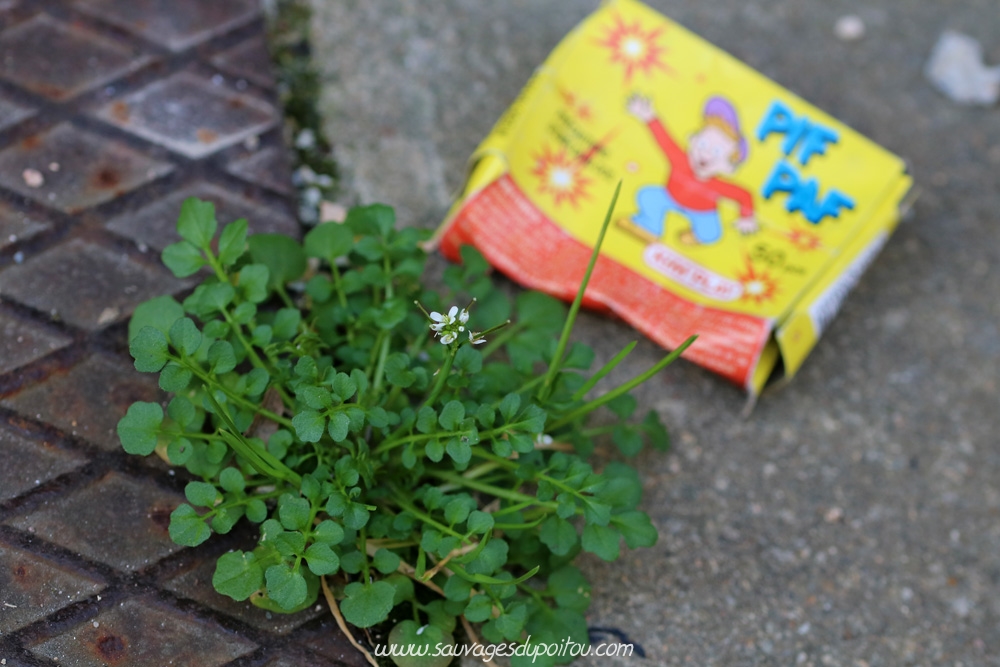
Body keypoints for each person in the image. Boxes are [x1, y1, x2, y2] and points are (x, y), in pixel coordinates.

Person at [621, 94, 759, 245]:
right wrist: (649, 117)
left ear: (728, 167)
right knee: (647, 196)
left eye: (717, 152)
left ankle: (698, 236)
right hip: (669, 196)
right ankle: (649, 227)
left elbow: (744, 195)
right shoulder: (681, 161)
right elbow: (666, 142)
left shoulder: (718, 186)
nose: (705, 154)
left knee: (712, 234)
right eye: (703, 145)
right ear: (693, 140)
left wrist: (746, 218)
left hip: (702, 211)